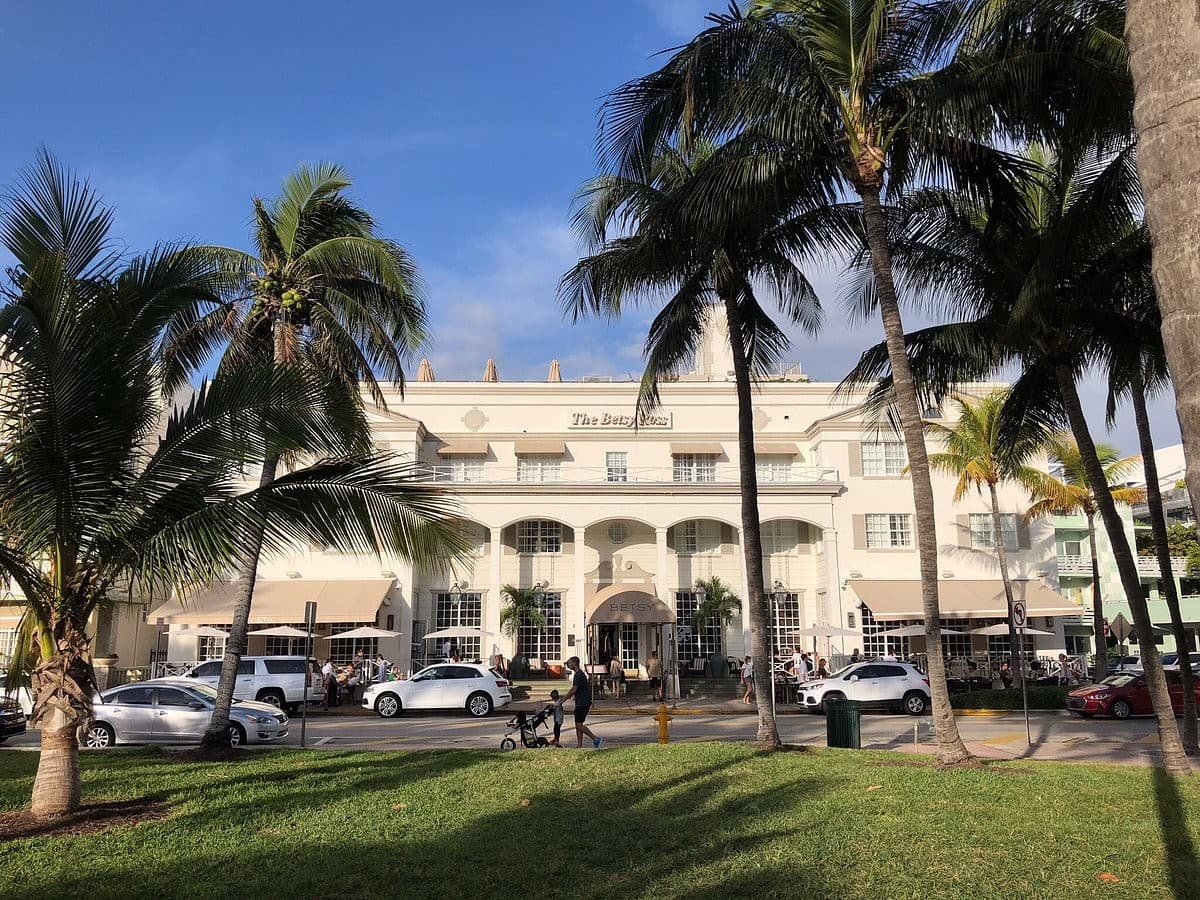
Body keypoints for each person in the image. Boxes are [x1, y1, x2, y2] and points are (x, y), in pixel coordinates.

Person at [560, 656, 601, 749]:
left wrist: (564, 698)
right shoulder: (579, 674)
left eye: (569, 663)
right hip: (581, 702)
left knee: (579, 725)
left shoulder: (578, 675)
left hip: (582, 702)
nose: (568, 665)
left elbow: (574, 689)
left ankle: (595, 738)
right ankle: (579, 744)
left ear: (574, 663)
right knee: (578, 724)